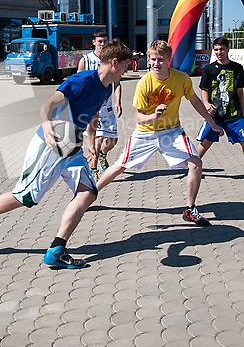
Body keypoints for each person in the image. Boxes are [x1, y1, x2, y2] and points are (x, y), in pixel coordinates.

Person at [0, 40, 133, 269]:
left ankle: (57, 249)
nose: (127, 70)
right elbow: (48, 103)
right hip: (51, 144)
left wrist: (92, 144)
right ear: (114, 63)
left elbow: (93, 116)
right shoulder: (81, 81)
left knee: (88, 193)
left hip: (72, 147)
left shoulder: (107, 87)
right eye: (126, 65)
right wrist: (47, 124)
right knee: (26, 196)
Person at [96, 40, 224, 227]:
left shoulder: (181, 79)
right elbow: (139, 119)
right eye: (153, 59)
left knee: (196, 163)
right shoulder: (144, 83)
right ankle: (90, 193)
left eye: (161, 60)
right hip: (145, 133)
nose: (156, 63)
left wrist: (212, 124)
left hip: (171, 132)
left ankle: (189, 209)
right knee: (119, 166)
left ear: (169, 59)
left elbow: (195, 101)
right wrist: (153, 116)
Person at [77, 30, 122, 180]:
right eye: (100, 41)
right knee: (96, 138)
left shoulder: (111, 60)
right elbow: (79, 81)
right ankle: (93, 169)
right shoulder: (86, 60)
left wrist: (118, 102)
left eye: (105, 41)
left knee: (112, 141)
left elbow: (117, 83)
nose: (103, 44)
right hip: (93, 108)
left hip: (107, 107)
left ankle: (103, 155)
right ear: (94, 42)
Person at [196, 36, 244, 157]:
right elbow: (204, 89)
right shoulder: (208, 69)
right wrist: (206, 104)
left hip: (234, 115)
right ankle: (192, 168)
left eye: (222, 49)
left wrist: (243, 111)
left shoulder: (237, 69)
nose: (219, 52)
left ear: (228, 49)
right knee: (205, 143)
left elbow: (240, 92)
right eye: (216, 49)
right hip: (215, 116)